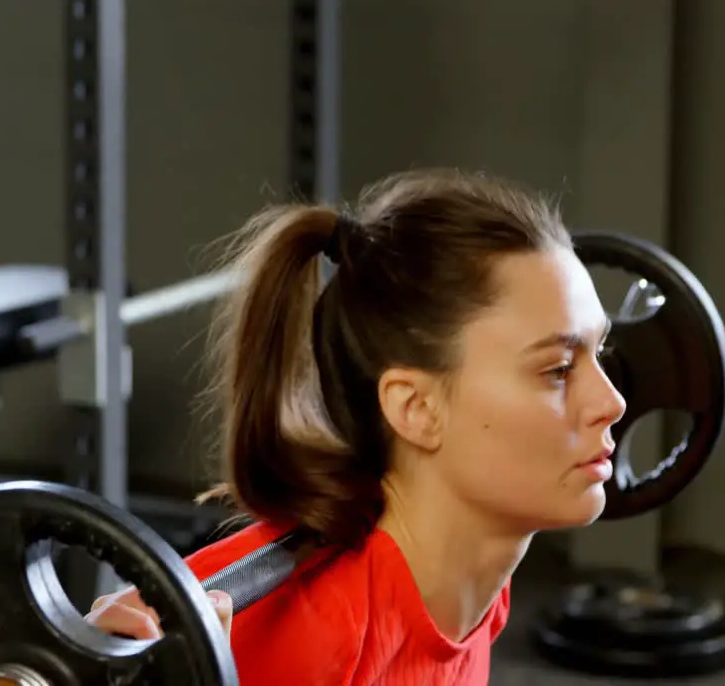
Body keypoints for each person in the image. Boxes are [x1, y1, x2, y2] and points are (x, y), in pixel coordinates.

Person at [87, 168, 626, 685]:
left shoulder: (474, 592)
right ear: (415, 408)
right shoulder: (320, 631)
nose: (612, 402)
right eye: (557, 370)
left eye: (600, 352)